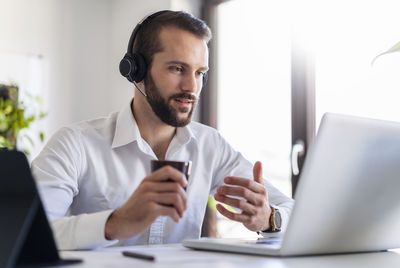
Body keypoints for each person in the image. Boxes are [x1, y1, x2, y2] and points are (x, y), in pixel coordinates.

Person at [32, 10, 294, 250]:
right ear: (136, 71)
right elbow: (28, 234)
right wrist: (114, 223)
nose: (191, 87)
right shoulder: (75, 144)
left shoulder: (210, 146)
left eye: (199, 72)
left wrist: (269, 218)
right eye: (177, 68)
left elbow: (293, 211)